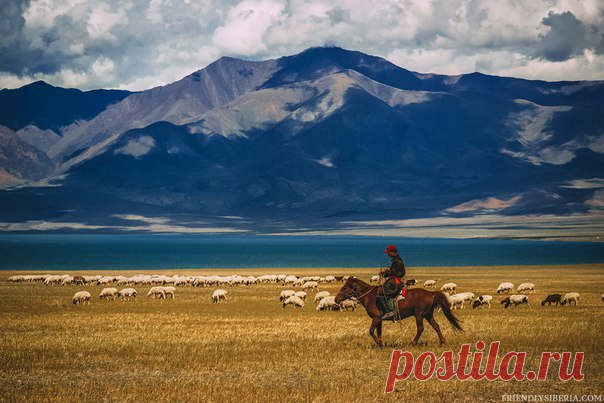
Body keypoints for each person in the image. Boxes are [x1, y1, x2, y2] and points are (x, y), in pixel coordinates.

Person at [379, 244, 406, 320]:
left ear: (393, 252)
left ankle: (389, 311)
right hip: (394, 281)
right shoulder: (396, 260)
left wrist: (386, 272)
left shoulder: (397, 261)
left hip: (395, 282)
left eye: (388, 252)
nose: (387, 254)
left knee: (381, 293)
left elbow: (393, 272)